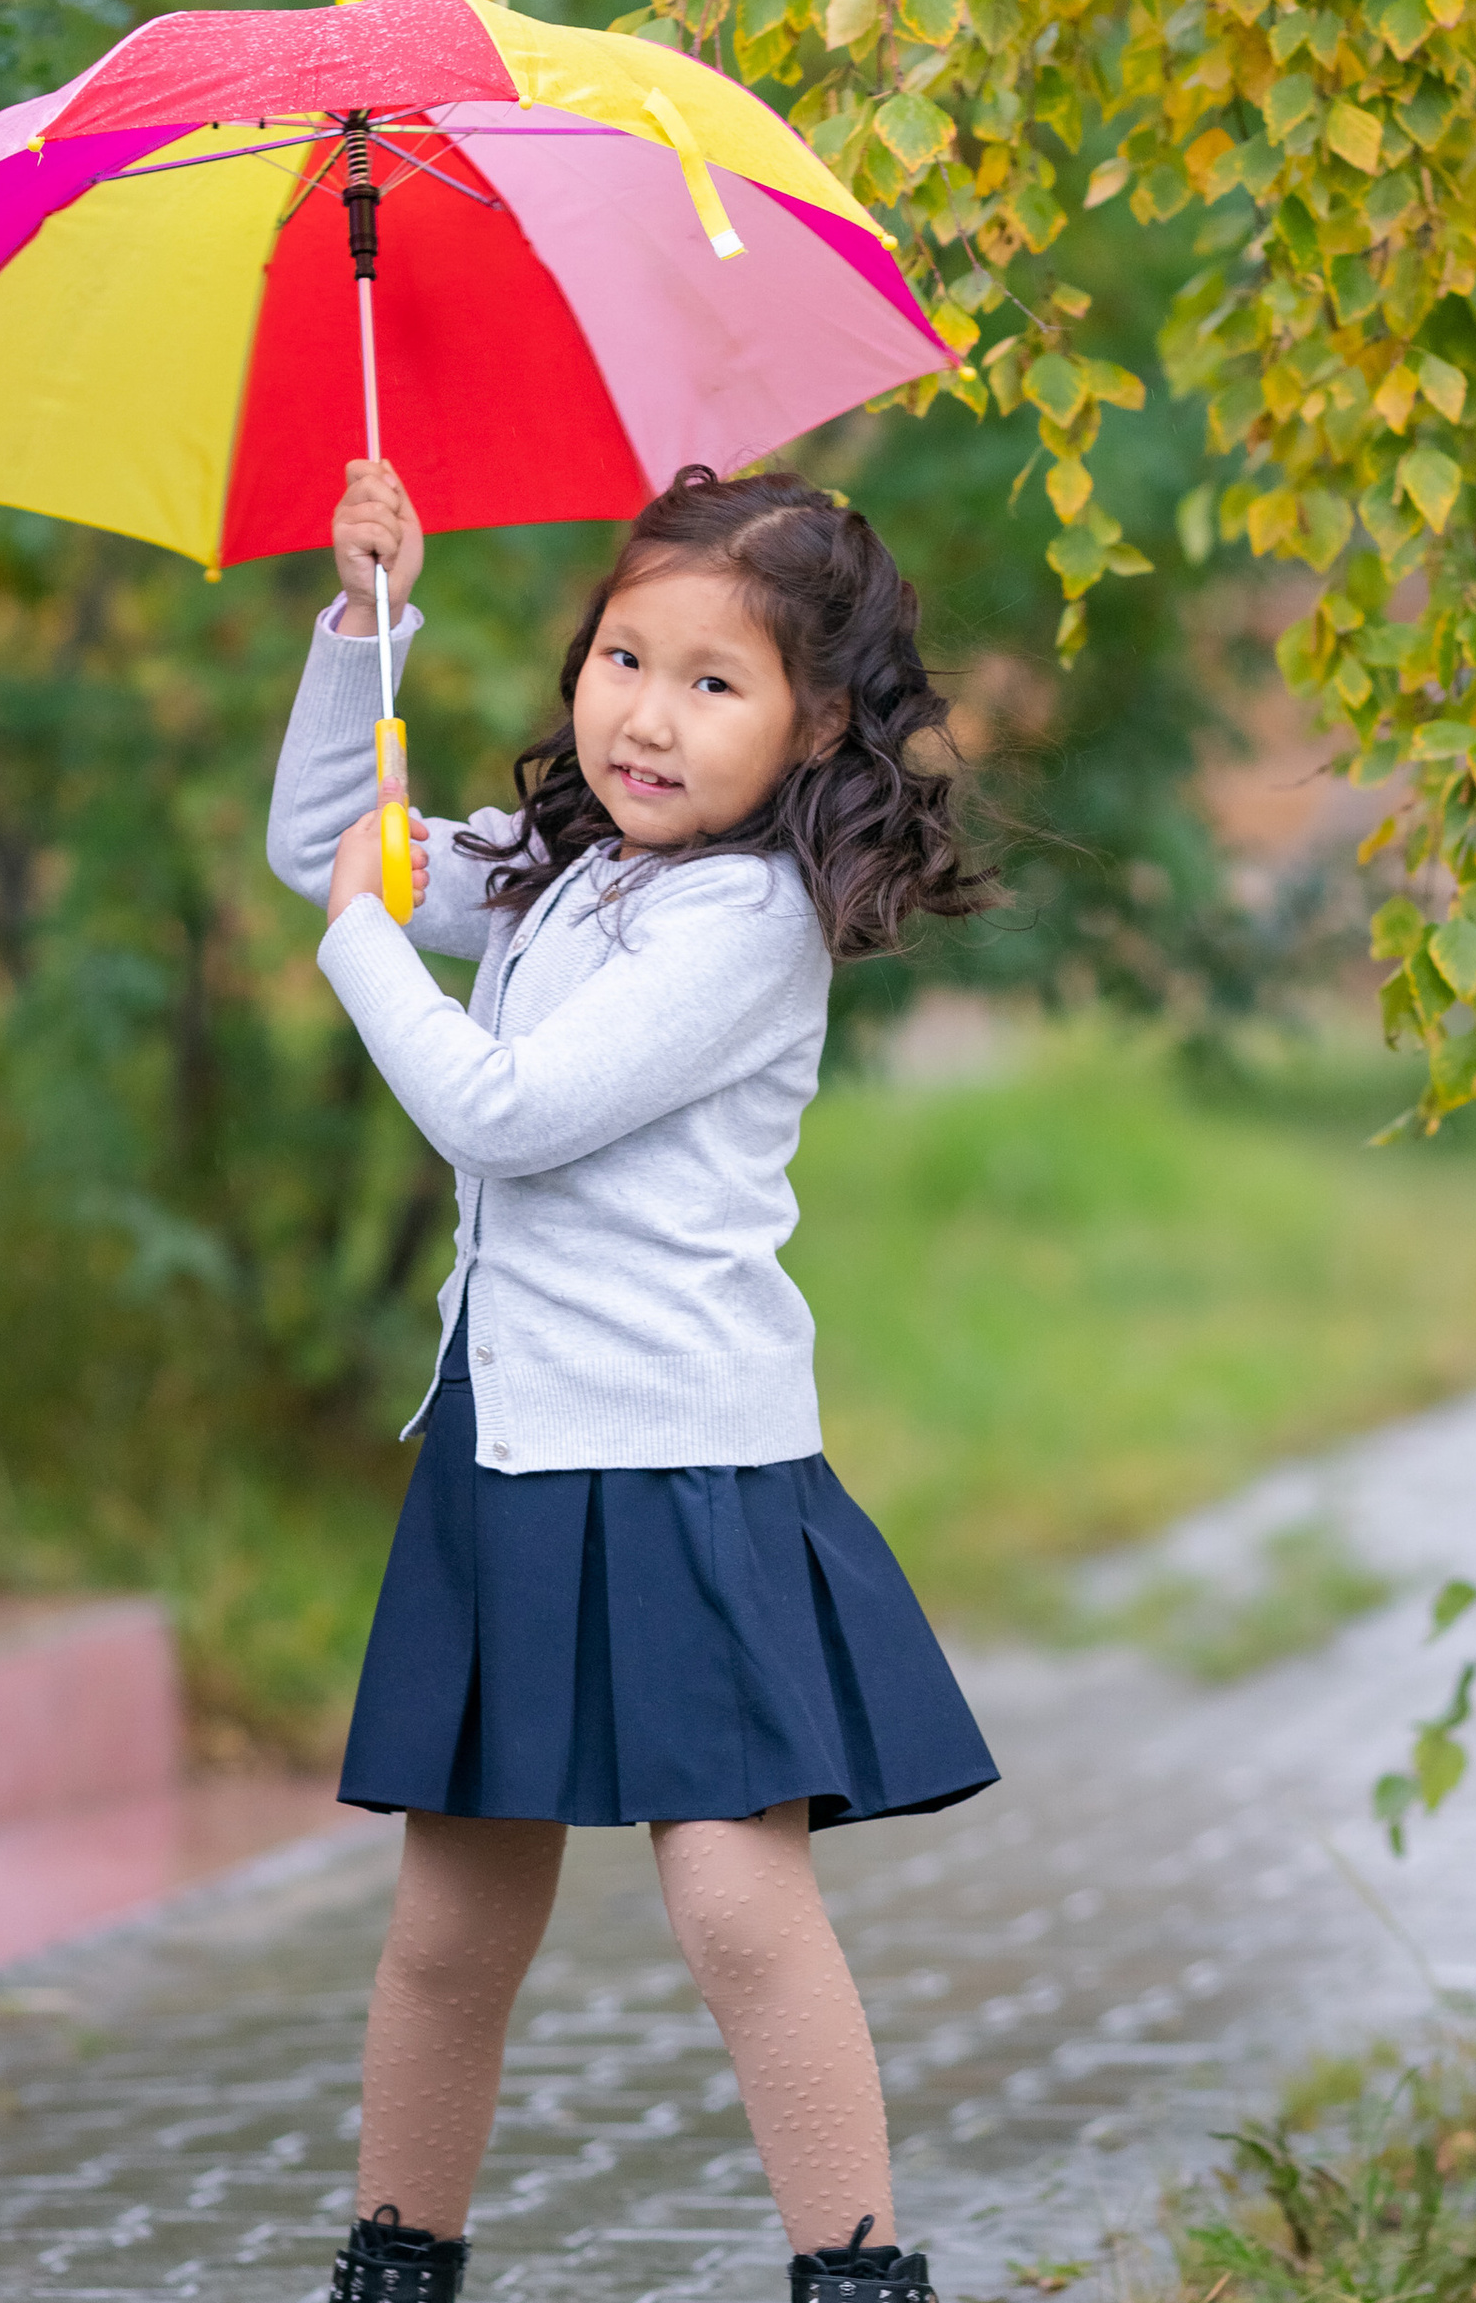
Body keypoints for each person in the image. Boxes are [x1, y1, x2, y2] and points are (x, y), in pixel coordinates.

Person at [269, 457, 1004, 2303]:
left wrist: (360, 938)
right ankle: (393, 2266)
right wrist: (365, 623)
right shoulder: (566, 870)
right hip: (510, 1450)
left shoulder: (744, 924)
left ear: (817, 720)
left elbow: (498, 1111)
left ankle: (856, 2278)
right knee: (451, 1927)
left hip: (681, 1468)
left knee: (737, 1908)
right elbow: (319, 847)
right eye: (623, 658)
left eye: (712, 681)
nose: (645, 717)